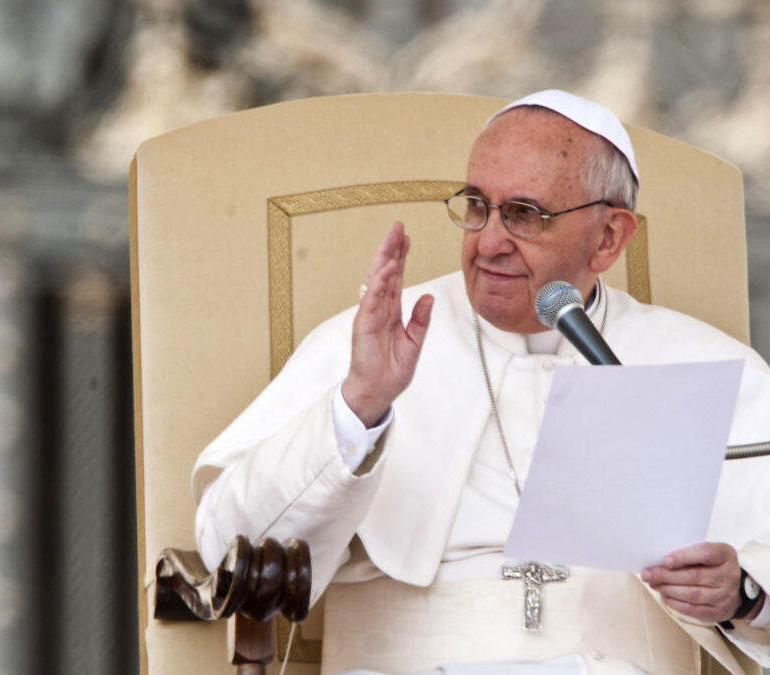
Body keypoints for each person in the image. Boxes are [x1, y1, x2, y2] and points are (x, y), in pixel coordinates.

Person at [191, 90, 770, 675]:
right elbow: (231, 551)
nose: (489, 241)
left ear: (609, 239)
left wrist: (745, 594)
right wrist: (360, 406)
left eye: (525, 214)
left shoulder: (704, 362)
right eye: (476, 206)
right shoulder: (375, 342)